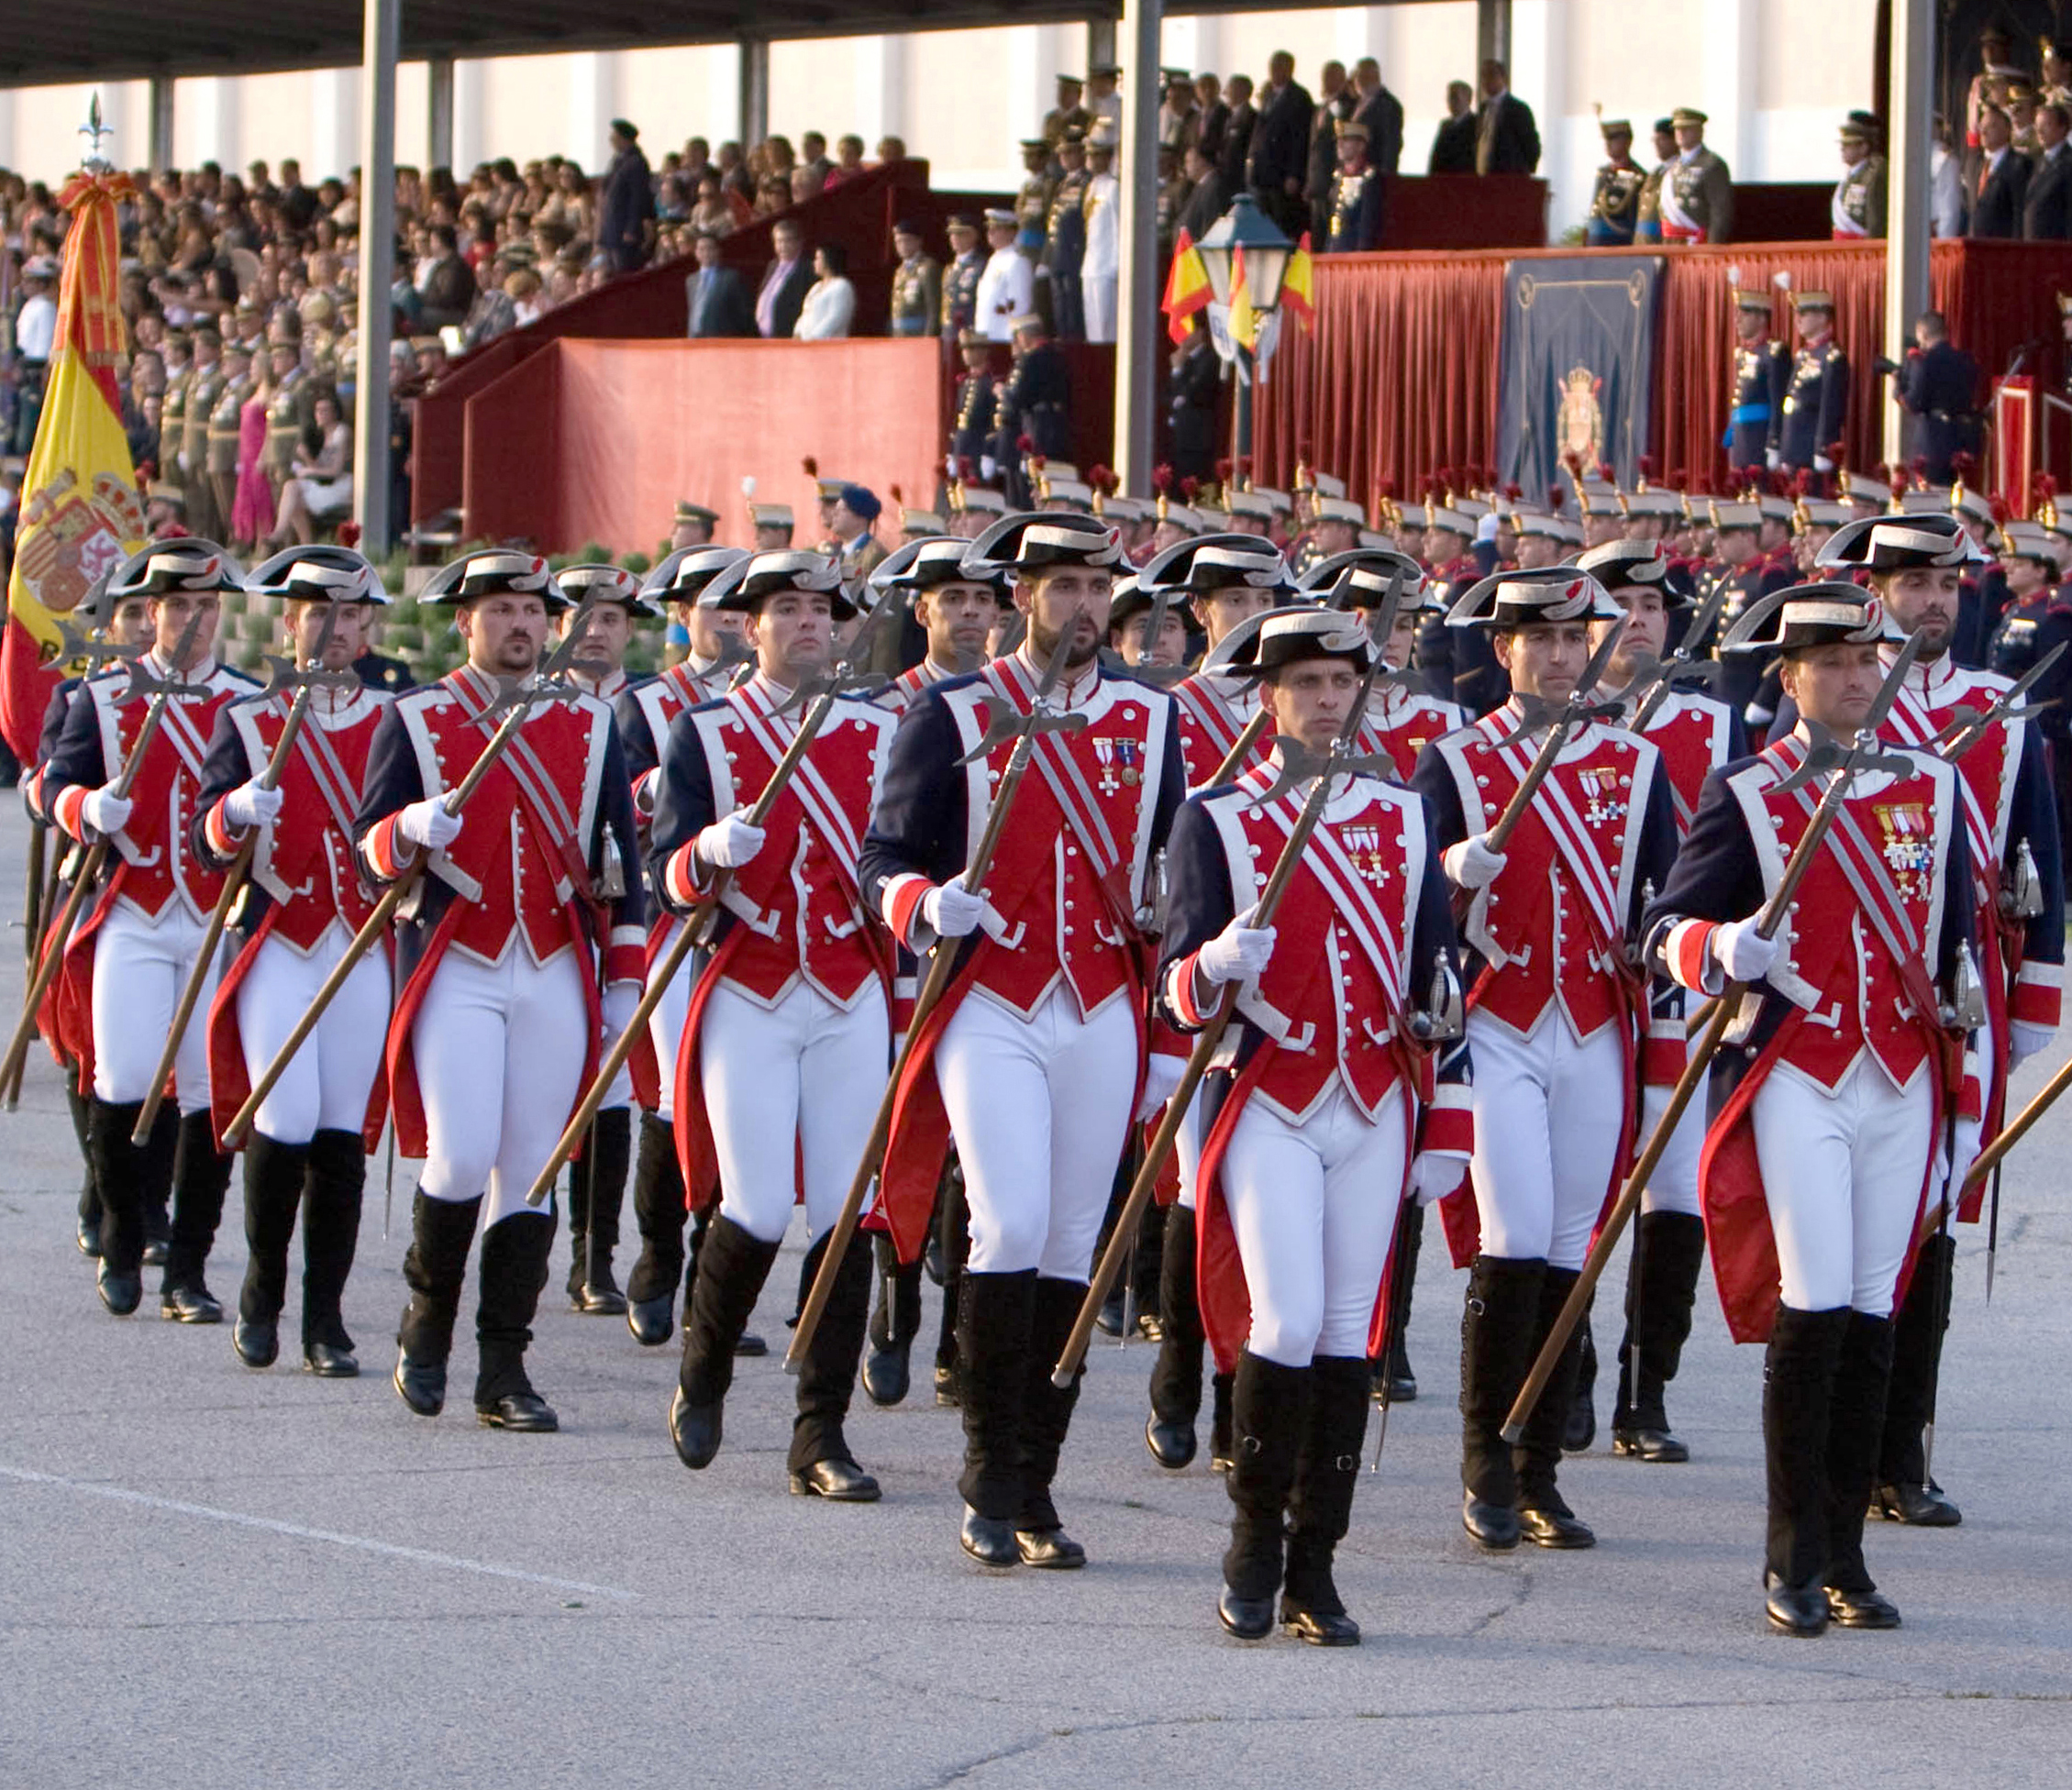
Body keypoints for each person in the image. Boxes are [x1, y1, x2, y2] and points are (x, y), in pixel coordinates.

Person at [1643, 580, 1976, 1637]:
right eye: (1832, 662)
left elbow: (1958, 947)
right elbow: (1664, 931)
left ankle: (1846, 1552)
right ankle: (1791, 1553)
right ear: (1790, 677)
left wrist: (1963, 1095)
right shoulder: (1750, 791)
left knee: (1877, 1307)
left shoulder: (1932, 783)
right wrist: (1719, 949)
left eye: (1868, 660)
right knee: (1819, 1294)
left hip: (1904, 1074)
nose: (1856, 677)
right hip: (1799, 1071)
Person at [861, 510, 1185, 1570]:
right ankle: (988, 1469)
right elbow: (883, 857)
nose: (1088, 607)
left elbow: (1175, 869)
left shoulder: (1152, 718)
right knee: (1008, 1219)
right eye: (1066, 587)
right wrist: (922, 902)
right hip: (991, 993)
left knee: (1070, 1240)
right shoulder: (956, 711)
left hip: (1099, 995)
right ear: (1021, 597)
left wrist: (1165, 910)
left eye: (1100, 588)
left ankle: (1035, 1478)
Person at [1158, 606, 1471, 1645]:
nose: (1330, 700)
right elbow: (1176, 993)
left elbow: (1440, 975)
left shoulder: (1404, 813)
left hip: (1378, 1096)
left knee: (1350, 1331)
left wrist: (1449, 1117)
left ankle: (1316, 1564)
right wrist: (1209, 969)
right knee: (1285, 1321)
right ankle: (1252, 1539)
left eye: (1344, 681)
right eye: (1308, 684)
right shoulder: (1220, 816)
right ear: (1268, 698)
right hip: (1272, 1098)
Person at [1412, 567, 1679, 1552]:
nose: (1564, 656)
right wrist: (1448, 873)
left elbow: (1668, 891)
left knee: (1575, 1244)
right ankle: (1488, 1451)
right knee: (1515, 1229)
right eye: (1543, 640)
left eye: (1577, 639)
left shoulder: (1634, 761)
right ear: (1504, 651)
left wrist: (1665, 941)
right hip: (1501, 1021)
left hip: (1596, 1023)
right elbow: (1397, 906)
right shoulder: (1456, 762)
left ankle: (1540, 1473)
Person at [1810, 514, 2062, 1533]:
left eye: (1946, 581)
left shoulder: (1998, 710)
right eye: (1911, 581)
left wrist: (2034, 1003)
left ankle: (1900, 1450)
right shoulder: (1844, 698)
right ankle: (1834, 1445)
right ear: (1874, 588)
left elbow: (2038, 849)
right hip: (1855, 991)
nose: (1932, 599)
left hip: (1965, 994)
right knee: (1851, 1225)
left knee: (1939, 1210)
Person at [356, 550, 644, 1433]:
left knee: (532, 1169)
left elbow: (621, 864)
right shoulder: (416, 717)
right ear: (464, 622)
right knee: (458, 1151)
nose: (521, 624)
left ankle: (505, 1365)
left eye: (532, 608)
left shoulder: (591, 724)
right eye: (502, 609)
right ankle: (427, 1321)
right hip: (457, 962)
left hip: (554, 960)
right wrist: (403, 830)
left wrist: (623, 985)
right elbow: (368, 859)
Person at [649, 550, 900, 1497]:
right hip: (750, 982)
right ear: (751, 626)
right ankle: (703, 1369)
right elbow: (664, 877)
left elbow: (901, 848)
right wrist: (704, 853)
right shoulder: (707, 733)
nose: (806, 623)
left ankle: (820, 1432)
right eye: (786, 608)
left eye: (820, 610)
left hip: (847, 985)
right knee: (753, 1203)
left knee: (843, 1215)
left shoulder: (877, 729)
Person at [45, 542, 260, 1321]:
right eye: (179, 607)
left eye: (208, 607)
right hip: (133, 912)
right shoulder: (105, 698)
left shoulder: (248, 702)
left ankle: (189, 1270)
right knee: (123, 1077)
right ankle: (120, 1233)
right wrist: (84, 809)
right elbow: (53, 787)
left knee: (206, 1095)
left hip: (211, 921)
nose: (195, 621)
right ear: (154, 614)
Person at [195, 547, 393, 1376]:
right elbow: (206, 842)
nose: (334, 629)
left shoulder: (396, 719)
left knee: (342, 1132)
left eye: (350, 615)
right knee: (284, 1118)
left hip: (360, 942)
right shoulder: (247, 718)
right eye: (317, 613)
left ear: (369, 625)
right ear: (289, 621)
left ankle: (327, 1317)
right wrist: (235, 812)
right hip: (281, 939)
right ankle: (262, 1290)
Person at [1571, 539, 1746, 1460]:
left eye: (1652, 603)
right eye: (1620, 603)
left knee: (1674, 1187)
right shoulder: (1546, 726)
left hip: (1679, 987)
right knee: (1576, 1188)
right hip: (1583, 989)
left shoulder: (1714, 728)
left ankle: (1649, 1385)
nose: (1639, 617)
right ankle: (1573, 1361)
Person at [613, 547, 756, 1350]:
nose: (729, 619)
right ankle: (658, 1261)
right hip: (679, 918)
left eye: (740, 607)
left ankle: (713, 1274)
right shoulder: (651, 702)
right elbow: (630, 801)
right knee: (673, 1099)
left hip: (752, 929)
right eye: (712, 604)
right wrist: (679, 775)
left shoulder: (782, 699)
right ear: (683, 612)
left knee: (737, 1106)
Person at [550, 565, 661, 1315]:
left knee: (615, 1084)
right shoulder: (531, 702)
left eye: (612, 620)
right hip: (550, 914)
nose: (596, 630)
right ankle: (533, 1221)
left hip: (631, 909)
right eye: (582, 616)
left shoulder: (650, 709)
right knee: (546, 1077)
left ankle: (597, 1254)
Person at [1890, 312, 1983, 483]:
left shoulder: (1925, 363)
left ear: (1923, 335)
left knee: (1932, 498)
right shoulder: (1966, 360)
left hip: (1933, 443)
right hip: (1962, 440)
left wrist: (1898, 388)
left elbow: (1914, 403)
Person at [1777, 292, 1848, 482]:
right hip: (1794, 444)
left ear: (1823, 317)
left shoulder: (1832, 356)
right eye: (1797, 314)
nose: (1798, 320)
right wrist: (1784, 449)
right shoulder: (1802, 355)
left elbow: (1830, 407)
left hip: (1811, 446)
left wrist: (1823, 449)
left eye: (1805, 314)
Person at [271, 391, 351, 547]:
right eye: (317, 411)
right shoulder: (319, 434)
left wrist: (308, 471)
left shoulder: (341, 432)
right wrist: (307, 458)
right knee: (290, 487)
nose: (319, 415)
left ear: (335, 413)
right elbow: (319, 469)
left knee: (294, 497)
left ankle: (301, 542)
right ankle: (285, 534)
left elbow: (335, 471)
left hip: (341, 485)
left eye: (324, 411)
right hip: (324, 483)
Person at [1247, 50, 1315, 237]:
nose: (1274, 71)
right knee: (1264, 220)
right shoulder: (1268, 95)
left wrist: (1294, 174)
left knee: (1282, 222)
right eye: (1272, 66)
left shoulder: (1299, 97)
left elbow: (1300, 139)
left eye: (1279, 66)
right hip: (1264, 172)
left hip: (1283, 172)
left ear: (1290, 69)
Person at [1727, 289, 1789, 474]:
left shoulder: (1774, 353)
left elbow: (1778, 402)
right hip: (1741, 440)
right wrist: (1730, 439)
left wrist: (1774, 444)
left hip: (1760, 441)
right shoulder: (1742, 354)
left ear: (1762, 318)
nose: (1737, 320)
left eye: (1744, 315)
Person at [1660, 107, 1734, 243]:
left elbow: (1719, 213)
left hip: (1696, 243)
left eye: (1686, 129)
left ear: (1699, 131)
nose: (1680, 133)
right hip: (1671, 244)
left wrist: (1712, 249)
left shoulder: (1712, 164)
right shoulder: (1673, 166)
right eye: (1677, 129)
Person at [600, 119, 655, 274]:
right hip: (613, 226)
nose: (611, 140)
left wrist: (632, 228)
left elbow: (638, 198)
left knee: (623, 268)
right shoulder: (618, 161)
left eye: (614, 136)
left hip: (623, 227)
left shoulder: (636, 162)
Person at [1081, 131, 1121, 344]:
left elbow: (1118, 228)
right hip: (1091, 264)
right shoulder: (1091, 187)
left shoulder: (1114, 187)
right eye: (1090, 156)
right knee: (1092, 327)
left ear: (1107, 158)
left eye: (1097, 155)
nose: (1092, 160)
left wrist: (1116, 265)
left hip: (1106, 266)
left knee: (1107, 327)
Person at [1325, 120, 1385, 252]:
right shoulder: (1339, 176)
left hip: (1353, 253)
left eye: (1346, 140)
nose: (1339, 145)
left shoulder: (1369, 178)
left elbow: (1367, 225)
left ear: (1361, 146)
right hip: (1335, 250)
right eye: (1339, 140)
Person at [975, 210, 1033, 344]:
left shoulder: (1017, 261)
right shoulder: (993, 260)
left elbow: (1020, 306)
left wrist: (1013, 339)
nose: (991, 232)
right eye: (990, 228)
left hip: (1003, 338)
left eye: (997, 228)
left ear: (1012, 232)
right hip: (986, 336)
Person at [1969, 106, 2028, 238]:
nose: (1984, 132)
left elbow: (2019, 213)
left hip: (2002, 246)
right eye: (1982, 126)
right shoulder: (1976, 163)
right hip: (1976, 244)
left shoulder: (2018, 165)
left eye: (1991, 126)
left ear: (2007, 130)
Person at [1587, 117, 1646, 246]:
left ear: (1627, 142)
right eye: (1606, 140)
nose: (1607, 144)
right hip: (1597, 242)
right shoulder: (1603, 173)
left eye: (1612, 140)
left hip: (1621, 242)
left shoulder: (1638, 176)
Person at [1475, 59, 1540, 174]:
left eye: (1491, 75)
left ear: (1504, 78)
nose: (1486, 80)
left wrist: (1523, 172)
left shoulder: (1518, 109)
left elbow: (1531, 146)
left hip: (1509, 177)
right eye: (1483, 76)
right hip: (1483, 178)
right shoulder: (1483, 109)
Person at [686, 230, 756, 338]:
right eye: (701, 249)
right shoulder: (691, 280)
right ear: (695, 253)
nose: (706, 253)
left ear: (718, 251)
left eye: (710, 248)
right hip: (696, 340)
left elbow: (744, 314)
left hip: (722, 339)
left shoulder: (731, 278)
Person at [1833, 112, 1888, 239]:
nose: (1842, 148)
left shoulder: (1873, 174)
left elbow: (1876, 222)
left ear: (1864, 147)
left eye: (1848, 144)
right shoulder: (1850, 176)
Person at [756, 219, 813, 340]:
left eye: (788, 241)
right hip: (763, 337)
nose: (783, 246)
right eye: (779, 241)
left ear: (799, 242)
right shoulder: (772, 265)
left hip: (788, 337)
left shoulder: (808, 269)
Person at [2023, 100, 2072, 238]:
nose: (2039, 131)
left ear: (2062, 128)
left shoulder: (2068, 162)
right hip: (2032, 244)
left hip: (2056, 247)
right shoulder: (2036, 161)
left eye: (2046, 124)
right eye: (2037, 125)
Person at [1350, 57, 1405, 174]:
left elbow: (1391, 144)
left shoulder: (1387, 105)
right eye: (1357, 76)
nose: (1357, 80)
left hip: (1374, 174)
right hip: (1354, 171)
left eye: (1361, 76)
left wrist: (1385, 173)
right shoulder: (1357, 104)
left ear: (1375, 76)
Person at [888, 221, 941, 337]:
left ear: (918, 241)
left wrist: (928, 338)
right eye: (898, 242)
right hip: (900, 334)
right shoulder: (900, 271)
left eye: (907, 240)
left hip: (918, 334)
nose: (902, 246)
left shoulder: (928, 267)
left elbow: (933, 309)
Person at [793, 243, 857, 340]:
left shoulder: (842, 286)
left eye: (817, 258)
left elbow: (836, 318)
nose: (814, 262)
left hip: (827, 345)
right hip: (805, 344)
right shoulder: (816, 287)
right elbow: (805, 312)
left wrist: (815, 338)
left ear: (828, 260)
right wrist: (797, 332)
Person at [939, 215, 985, 342]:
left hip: (970, 333)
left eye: (960, 234)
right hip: (948, 333)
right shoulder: (949, 269)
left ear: (974, 235)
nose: (954, 238)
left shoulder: (980, 265)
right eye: (952, 234)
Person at [1634, 118, 1677, 242]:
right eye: (1655, 139)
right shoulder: (1655, 173)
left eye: (1662, 139)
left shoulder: (1678, 172)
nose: (1657, 144)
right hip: (1643, 243)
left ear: (1675, 140)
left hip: (1662, 243)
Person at [1429, 81, 1479, 175]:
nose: (1451, 102)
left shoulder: (1476, 125)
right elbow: (1436, 157)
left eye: (1455, 97)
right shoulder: (1445, 125)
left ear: (1468, 99)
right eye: (1449, 97)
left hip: (1465, 180)